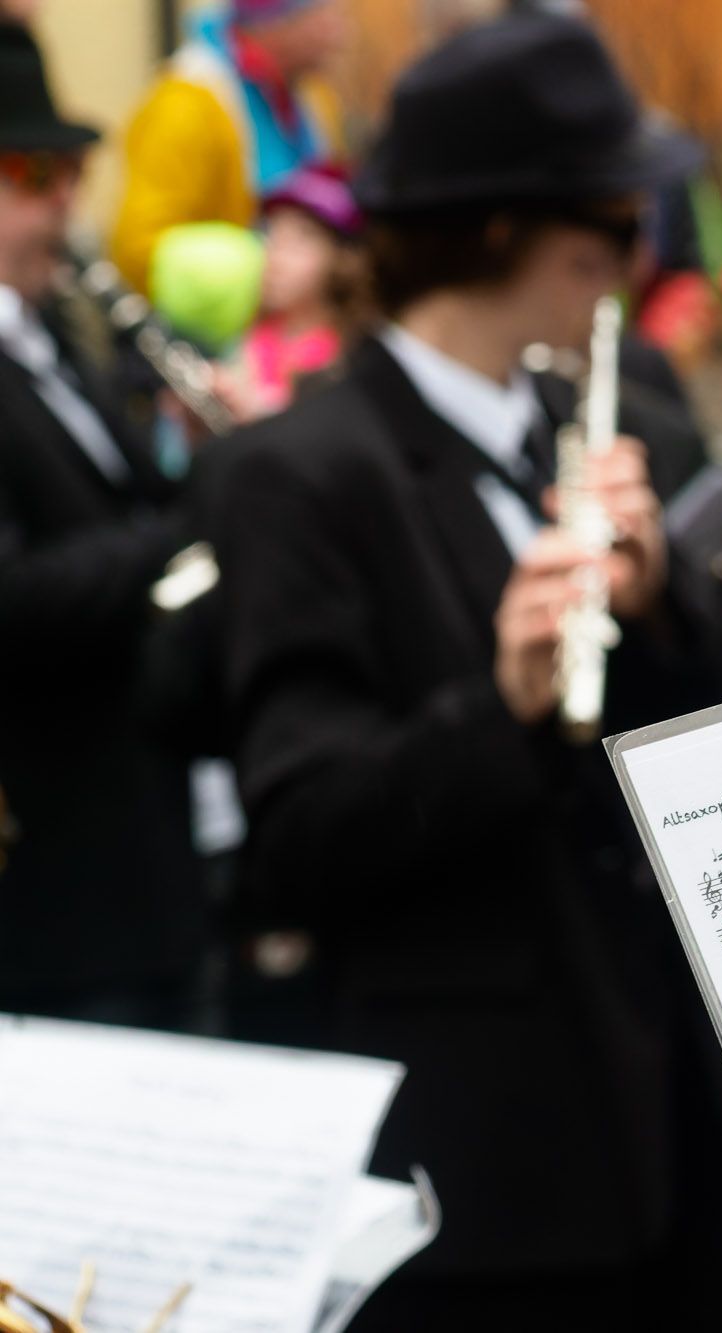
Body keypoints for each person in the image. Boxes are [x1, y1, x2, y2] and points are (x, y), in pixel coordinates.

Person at [209, 15, 722, 1322]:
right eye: (608, 223)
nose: (637, 253)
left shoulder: (586, 419)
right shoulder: (300, 470)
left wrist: (660, 606)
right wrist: (500, 709)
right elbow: (298, 834)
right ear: (501, 231)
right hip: (489, 1163)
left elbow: (718, 730)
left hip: (663, 1106)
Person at [0, 22, 209, 1029]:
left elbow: (126, 504)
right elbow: (15, 595)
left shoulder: (50, 330)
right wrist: (189, 527)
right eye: (32, 175)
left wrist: (204, 459)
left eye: (73, 175)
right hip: (52, 878)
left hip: (140, 838)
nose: (64, 204)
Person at [111, 0, 346, 291]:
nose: (338, 32)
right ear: (275, 23)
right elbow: (140, 249)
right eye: (322, 14)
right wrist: (257, 275)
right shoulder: (186, 106)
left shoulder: (312, 97)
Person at [231, 162, 361, 414]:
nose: (275, 258)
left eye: (301, 240)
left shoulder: (346, 356)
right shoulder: (252, 327)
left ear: (343, 258)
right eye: (271, 235)